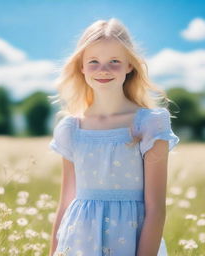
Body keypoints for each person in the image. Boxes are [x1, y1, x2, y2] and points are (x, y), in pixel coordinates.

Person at [48, 18, 180, 256]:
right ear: (82, 67)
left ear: (130, 65)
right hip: (79, 243)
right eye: (94, 62)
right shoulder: (71, 128)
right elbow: (66, 203)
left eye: (114, 61)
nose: (103, 70)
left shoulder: (149, 123)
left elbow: (156, 209)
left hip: (131, 241)